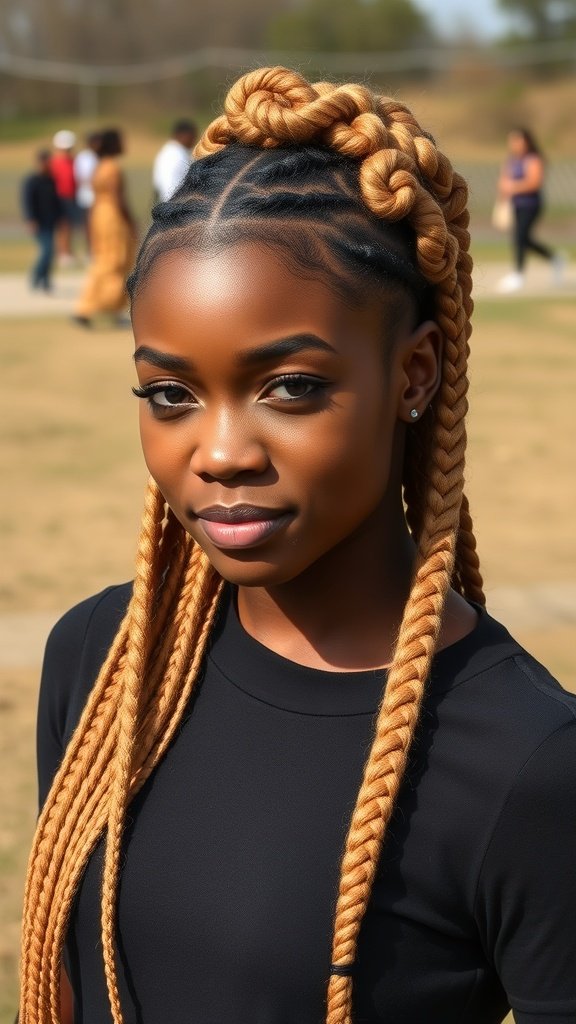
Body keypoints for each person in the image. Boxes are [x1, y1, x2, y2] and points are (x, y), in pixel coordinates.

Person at [20, 67, 576, 1024]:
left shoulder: (530, 764)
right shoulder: (104, 662)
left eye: (291, 387)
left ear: (414, 374)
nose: (222, 453)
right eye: (170, 394)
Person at [73, 128, 137, 327]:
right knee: (115, 260)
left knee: (103, 258)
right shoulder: (112, 168)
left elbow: (94, 198)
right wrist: (131, 221)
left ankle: (90, 305)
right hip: (112, 217)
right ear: (113, 144)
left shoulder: (99, 167)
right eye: (120, 141)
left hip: (99, 216)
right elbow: (118, 199)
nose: (123, 145)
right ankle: (106, 307)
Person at [497, 127, 565, 293]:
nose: (514, 144)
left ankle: (518, 275)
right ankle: (554, 258)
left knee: (520, 237)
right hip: (516, 205)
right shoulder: (512, 161)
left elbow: (534, 182)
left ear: (526, 141)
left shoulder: (533, 159)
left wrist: (513, 187)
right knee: (523, 239)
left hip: (531, 205)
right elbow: (503, 181)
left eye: (518, 140)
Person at [20, 148, 62, 292]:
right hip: (38, 223)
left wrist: (60, 217)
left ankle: (45, 280)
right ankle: (36, 277)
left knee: (50, 252)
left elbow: (57, 201)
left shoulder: (51, 180)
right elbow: (27, 202)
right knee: (47, 250)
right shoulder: (32, 181)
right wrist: (30, 219)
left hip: (51, 221)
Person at [50, 129, 79, 267]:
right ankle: (62, 253)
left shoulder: (73, 161)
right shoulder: (54, 162)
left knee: (68, 226)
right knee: (62, 226)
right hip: (58, 198)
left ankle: (67, 251)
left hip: (71, 197)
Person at [152, 117, 197, 202]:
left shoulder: (176, 151)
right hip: (174, 206)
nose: (194, 140)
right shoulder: (174, 155)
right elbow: (169, 189)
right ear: (183, 135)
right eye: (192, 136)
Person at [74, 131, 102, 255]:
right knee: (90, 223)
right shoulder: (84, 157)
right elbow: (83, 177)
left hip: (98, 195)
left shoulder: (97, 156)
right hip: (88, 194)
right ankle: (90, 250)